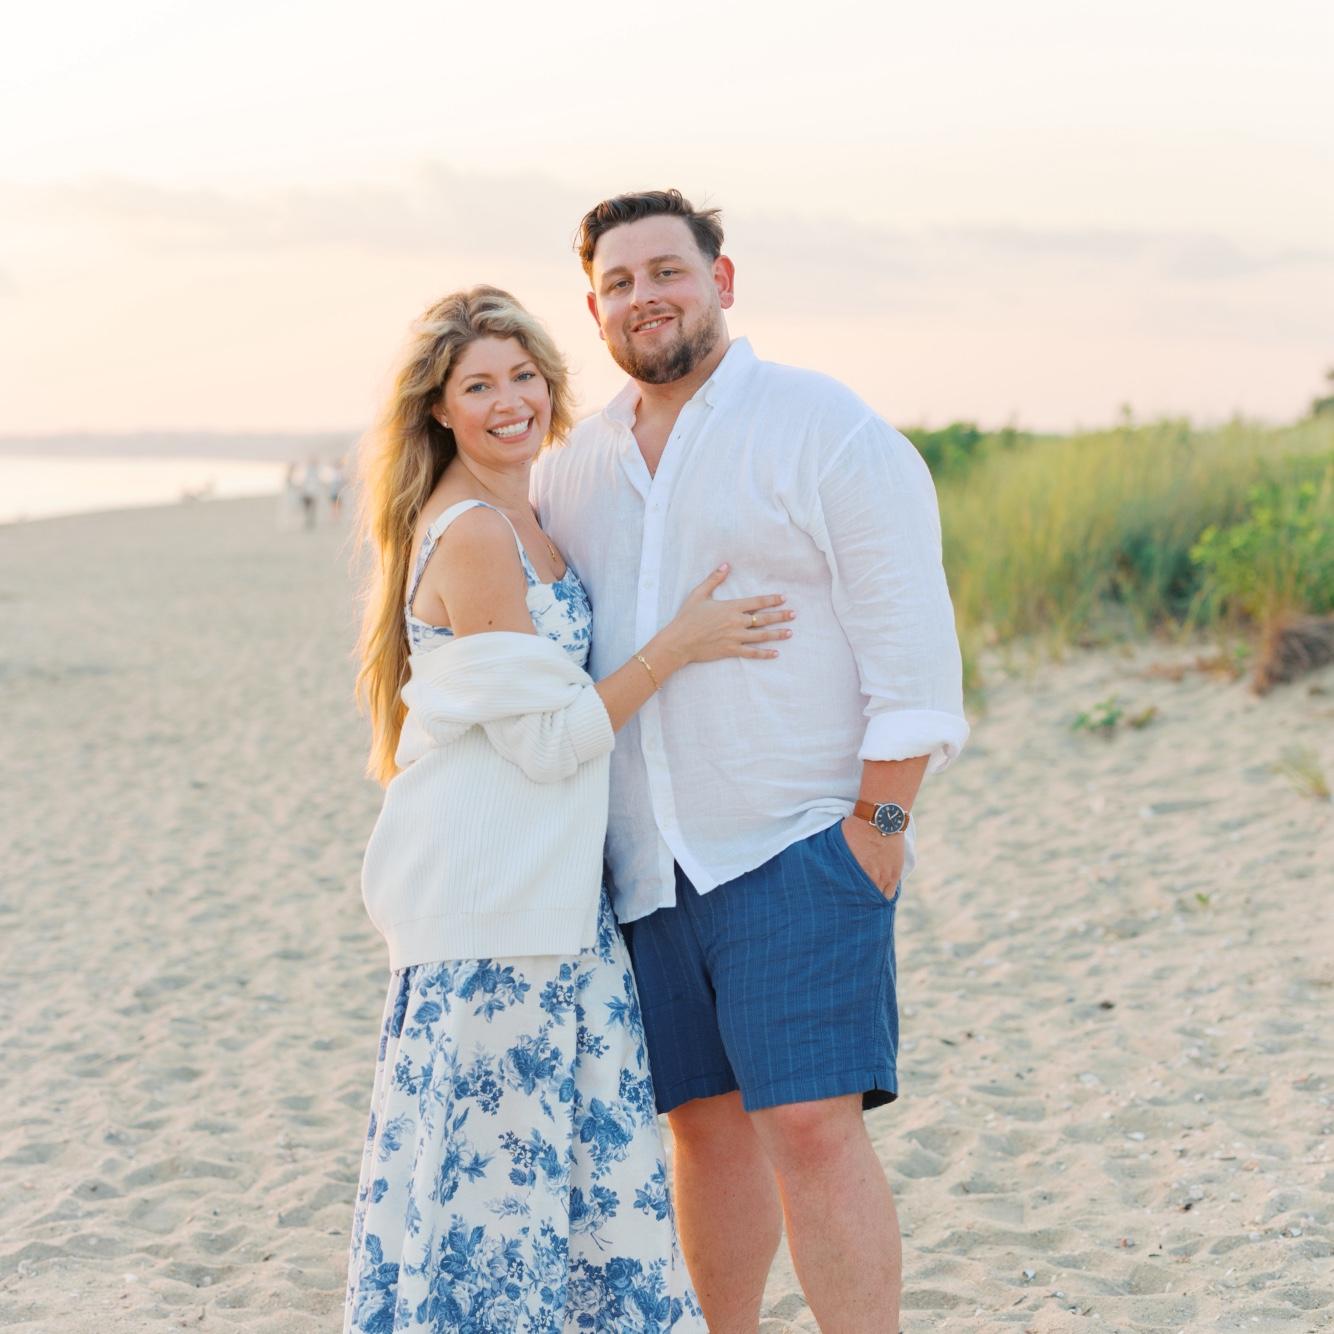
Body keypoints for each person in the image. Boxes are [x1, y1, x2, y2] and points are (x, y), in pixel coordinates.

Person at [532, 191, 970, 1333]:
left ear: (720, 281)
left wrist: (877, 829)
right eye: (618, 282)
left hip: (797, 843)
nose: (644, 297)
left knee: (811, 1126)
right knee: (704, 1131)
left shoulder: (819, 424)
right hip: (642, 863)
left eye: (666, 271)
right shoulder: (572, 468)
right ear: (594, 308)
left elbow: (912, 650)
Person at [344, 284, 794, 1333]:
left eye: (523, 376)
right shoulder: (472, 535)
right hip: (494, 913)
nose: (510, 401)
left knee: (576, 1192)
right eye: (478, 386)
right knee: (497, 1212)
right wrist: (679, 646)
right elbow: (546, 742)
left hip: (554, 897)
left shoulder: (527, 514)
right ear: (438, 408)